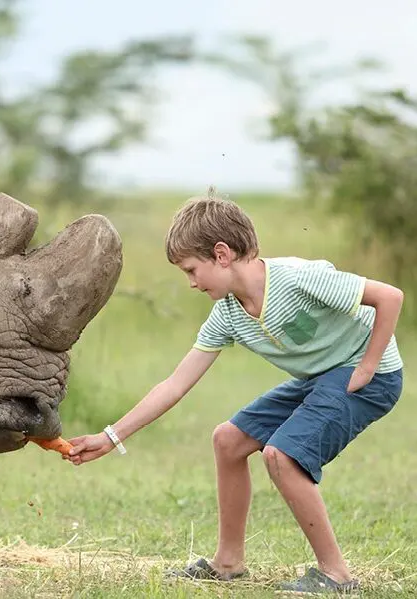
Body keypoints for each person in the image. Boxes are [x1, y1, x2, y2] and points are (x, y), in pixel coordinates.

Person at [66, 187, 404, 594]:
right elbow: (175, 383)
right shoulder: (227, 314)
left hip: (369, 376)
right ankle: (228, 563)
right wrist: (111, 436)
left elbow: (389, 296)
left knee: (282, 455)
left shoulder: (298, 279)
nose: (190, 282)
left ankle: (336, 575)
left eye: (191, 270)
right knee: (228, 440)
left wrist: (368, 367)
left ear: (222, 254)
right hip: (320, 377)